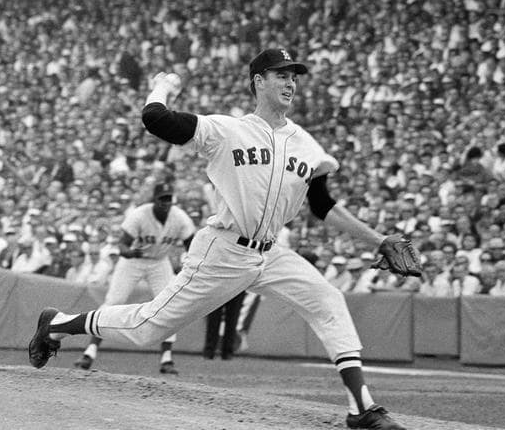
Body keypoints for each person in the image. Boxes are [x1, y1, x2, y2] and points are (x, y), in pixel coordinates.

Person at [29, 49, 409, 430]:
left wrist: (376, 240)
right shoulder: (226, 130)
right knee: (148, 328)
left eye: (294, 76)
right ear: (258, 81)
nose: (291, 82)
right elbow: (155, 119)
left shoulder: (305, 144)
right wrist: (163, 85)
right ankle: (59, 323)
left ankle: (362, 408)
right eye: (281, 75)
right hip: (224, 250)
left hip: (271, 252)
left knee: (328, 300)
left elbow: (323, 204)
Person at [73, 182, 195, 375]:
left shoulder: (180, 218)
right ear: (154, 200)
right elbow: (122, 245)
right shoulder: (139, 214)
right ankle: (89, 352)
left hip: (159, 262)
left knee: (171, 306)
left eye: (168, 199)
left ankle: (167, 359)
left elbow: (192, 245)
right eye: (161, 199)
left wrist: (189, 263)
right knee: (113, 302)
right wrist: (130, 253)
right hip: (134, 262)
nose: (165, 203)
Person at [203, 291, 246, 360]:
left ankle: (227, 352)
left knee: (232, 319)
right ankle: (209, 351)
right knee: (213, 320)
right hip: (218, 286)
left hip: (237, 286)